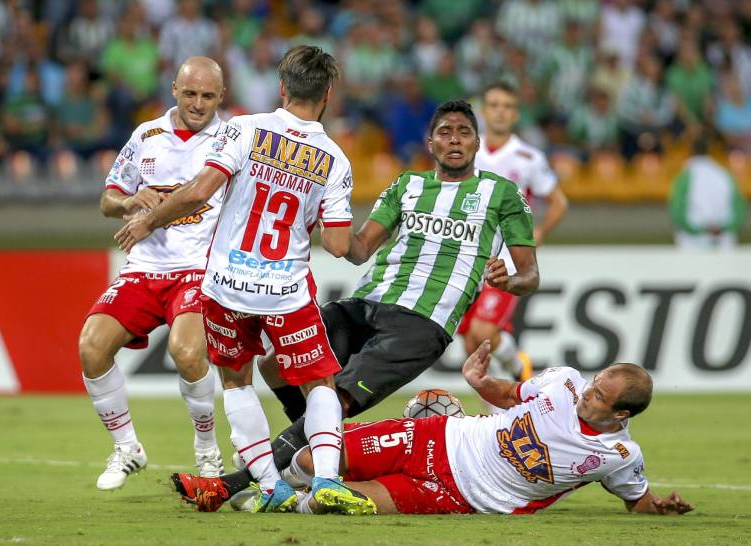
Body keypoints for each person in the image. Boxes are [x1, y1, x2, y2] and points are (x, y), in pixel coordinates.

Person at [171, 98, 541, 511]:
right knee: (274, 363)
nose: (454, 140)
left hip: (422, 322)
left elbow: (530, 275)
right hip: (365, 303)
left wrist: (510, 278)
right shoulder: (407, 185)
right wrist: (308, 214)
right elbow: (360, 248)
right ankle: (313, 441)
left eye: (464, 133)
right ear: (431, 143)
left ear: (476, 142)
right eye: (445, 133)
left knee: (339, 394)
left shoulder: (501, 193)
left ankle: (234, 484)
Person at [115, 45, 370, 514]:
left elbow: (199, 192)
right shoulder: (334, 159)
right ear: (328, 94)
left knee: (235, 382)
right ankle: (329, 481)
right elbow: (338, 245)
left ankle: (272, 487)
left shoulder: (244, 128)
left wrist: (151, 221)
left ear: (282, 88)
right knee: (319, 385)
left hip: (226, 285)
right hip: (287, 291)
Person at [187, 341, 695, 517]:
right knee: (309, 463)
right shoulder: (561, 382)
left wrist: (661, 508)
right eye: (595, 382)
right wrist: (479, 379)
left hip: (461, 495)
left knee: (329, 500)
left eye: (601, 395)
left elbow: (637, 500)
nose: (588, 392)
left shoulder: (619, 456)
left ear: (621, 415)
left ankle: (267, 500)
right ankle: (258, 486)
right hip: (440, 437)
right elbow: (508, 395)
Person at [79, 56, 228, 491]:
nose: (198, 104)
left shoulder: (232, 138)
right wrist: (127, 202)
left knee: (186, 352)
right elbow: (108, 198)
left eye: (208, 96)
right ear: (174, 91)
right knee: (91, 347)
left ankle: (207, 452)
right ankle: (127, 447)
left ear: (221, 97)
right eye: (190, 93)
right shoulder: (146, 135)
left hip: (199, 268)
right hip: (144, 268)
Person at [459, 81, 568, 389]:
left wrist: (540, 231)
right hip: (466, 255)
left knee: (482, 329)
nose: (500, 113)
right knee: (471, 343)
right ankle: (492, 416)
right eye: (494, 105)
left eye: (507, 107)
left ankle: (515, 362)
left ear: (516, 114)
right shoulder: (466, 150)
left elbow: (558, 201)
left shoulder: (527, 157)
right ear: (483, 111)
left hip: (506, 257)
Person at [669, 138, 746, 249]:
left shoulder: (685, 175)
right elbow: (738, 208)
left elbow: (677, 209)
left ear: (691, 151)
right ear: (710, 151)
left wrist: (699, 229)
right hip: (723, 238)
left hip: (693, 241)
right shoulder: (725, 174)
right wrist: (723, 228)